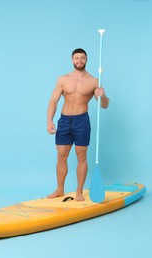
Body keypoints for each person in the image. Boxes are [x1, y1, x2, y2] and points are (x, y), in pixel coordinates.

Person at [46, 48, 109, 201]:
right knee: (61, 155)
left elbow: (104, 105)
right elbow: (53, 101)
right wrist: (49, 121)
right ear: (72, 60)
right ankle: (60, 189)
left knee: (81, 156)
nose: (79, 60)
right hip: (65, 120)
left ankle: (79, 191)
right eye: (76, 58)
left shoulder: (94, 81)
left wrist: (103, 95)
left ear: (86, 60)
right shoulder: (63, 79)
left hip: (82, 121)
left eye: (82, 58)